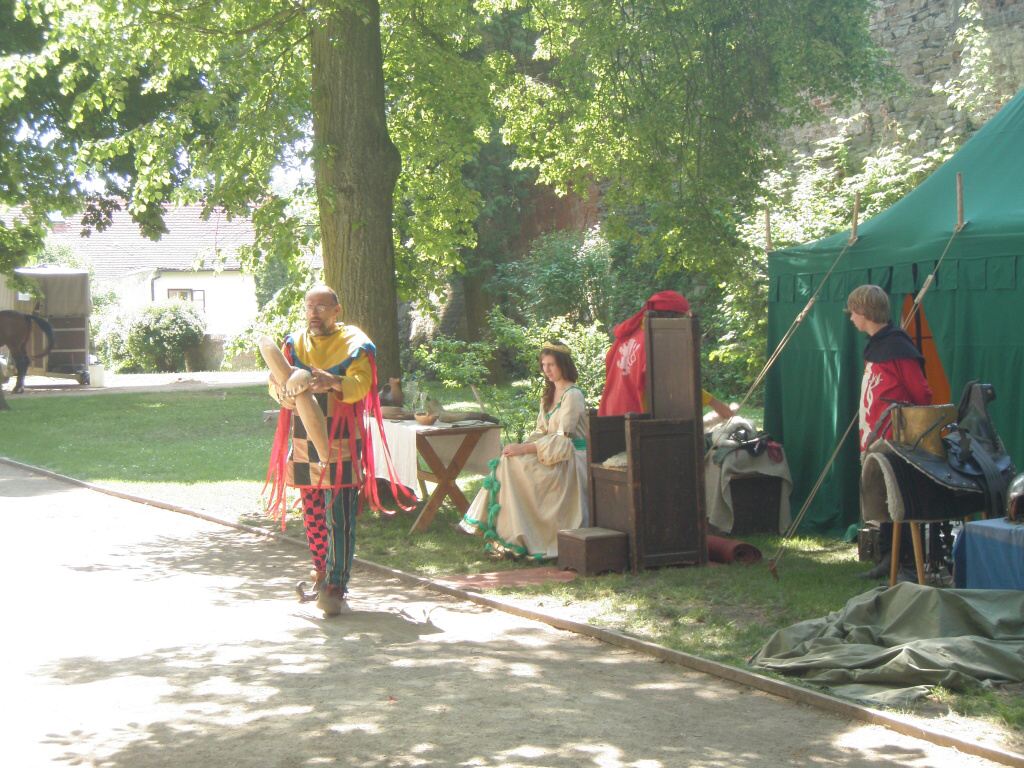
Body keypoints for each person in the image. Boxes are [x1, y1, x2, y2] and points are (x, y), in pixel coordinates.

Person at [266, 284, 376, 616]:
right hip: (303, 442)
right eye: (309, 307)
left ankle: (336, 585)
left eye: (321, 307)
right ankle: (320, 572)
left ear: (336, 311)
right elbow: (275, 381)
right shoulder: (294, 343)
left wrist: (334, 381)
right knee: (313, 515)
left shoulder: (355, 343)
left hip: (340, 441)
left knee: (339, 518)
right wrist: (282, 394)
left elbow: (362, 385)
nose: (313, 313)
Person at [459, 341, 590, 559]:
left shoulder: (573, 394)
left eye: (551, 365)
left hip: (570, 459)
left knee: (514, 466)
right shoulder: (549, 394)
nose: (546, 370)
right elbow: (541, 431)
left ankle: (518, 535)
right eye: (544, 365)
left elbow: (562, 438)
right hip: (550, 453)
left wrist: (524, 449)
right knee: (507, 461)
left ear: (563, 365)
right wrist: (520, 448)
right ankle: (507, 535)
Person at [846, 284, 933, 578]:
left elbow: (921, 393)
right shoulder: (878, 345)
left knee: (899, 498)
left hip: (895, 437)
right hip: (875, 434)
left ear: (864, 312)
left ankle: (905, 561)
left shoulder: (897, 347)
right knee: (881, 496)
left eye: (853, 312)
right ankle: (887, 557)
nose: (851, 318)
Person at [598, 290, 736, 424]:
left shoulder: (628, 334)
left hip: (610, 418)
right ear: (669, 319)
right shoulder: (656, 339)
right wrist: (714, 403)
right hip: (637, 422)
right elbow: (677, 382)